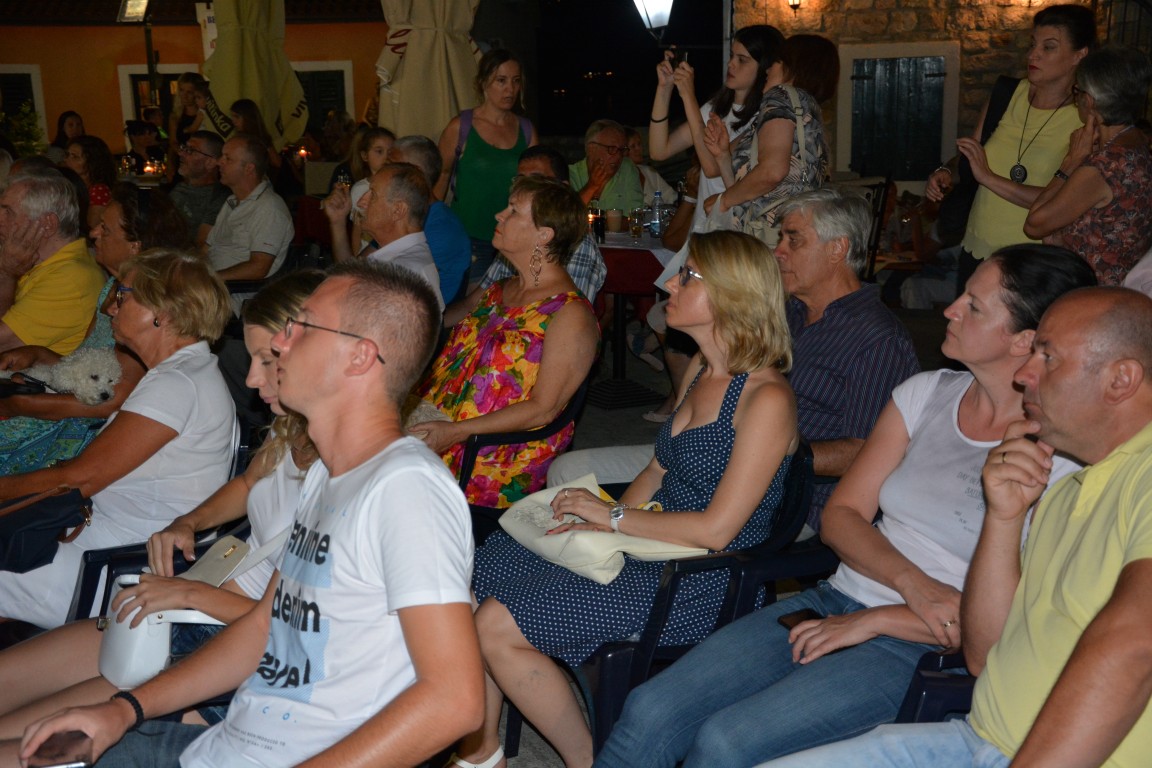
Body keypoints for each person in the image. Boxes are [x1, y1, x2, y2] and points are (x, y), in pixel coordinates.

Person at [595, 244, 1096, 768]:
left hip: (922, 644)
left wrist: (883, 617)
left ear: (1024, 340)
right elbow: (840, 516)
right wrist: (912, 584)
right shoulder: (926, 393)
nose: (949, 309)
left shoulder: (1059, 459)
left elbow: (1011, 621)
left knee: (727, 742)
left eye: (973, 305)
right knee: (650, 708)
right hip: (837, 597)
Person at [18, 261, 483, 768]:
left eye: (302, 327)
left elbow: (455, 701)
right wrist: (124, 710)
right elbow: (265, 626)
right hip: (230, 740)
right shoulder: (329, 478)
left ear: (360, 357)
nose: (280, 344)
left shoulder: (407, 486)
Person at [760, 287, 1152, 768]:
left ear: (1121, 379)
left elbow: (1134, 645)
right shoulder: (1069, 481)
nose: (1025, 374)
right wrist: (1004, 516)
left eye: (1048, 357)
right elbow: (984, 656)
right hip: (978, 737)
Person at [450, 230, 799, 768]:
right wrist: (599, 524)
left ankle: (586, 759)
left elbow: (717, 531)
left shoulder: (766, 398)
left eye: (688, 276)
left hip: (703, 577)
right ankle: (483, 753)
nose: (670, 284)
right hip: (652, 541)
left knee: (496, 623)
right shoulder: (702, 371)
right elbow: (658, 469)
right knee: (487, 563)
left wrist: (611, 517)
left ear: (732, 295)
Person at [0, 271, 324, 747]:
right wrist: (189, 521)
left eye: (267, 360)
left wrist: (187, 594)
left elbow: (278, 625)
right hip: (184, 604)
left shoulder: (341, 477)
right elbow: (250, 482)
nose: (251, 379)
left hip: (204, 623)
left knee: (16, 740)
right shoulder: (290, 428)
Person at [550, 188, 919, 531]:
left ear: (838, 248)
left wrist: (755, 451)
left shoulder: (878, 340)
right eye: (780, 238)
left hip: (798, 498)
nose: (778, 251)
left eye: (793, 239)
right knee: (570, 471)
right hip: (712, 451)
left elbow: (868, 452)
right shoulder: (785, 312)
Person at [0, 249, 234, 629]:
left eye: (122, 296)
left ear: (162, 313)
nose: (111, 307)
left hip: (111, 572)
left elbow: (77, 479)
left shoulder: (177, 384)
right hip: (104, 548)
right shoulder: (187, 372)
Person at [414, 175, 599, 508]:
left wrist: (456, 432)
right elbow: (439, 321)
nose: (499, 215)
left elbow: (544, 408)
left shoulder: (570, 314)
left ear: (544, 235)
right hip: (439, 421)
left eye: (513, 210)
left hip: (492, 453)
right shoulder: (498, 291)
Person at [0, 181, 188, 474]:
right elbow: (83, 362)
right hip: (75, 407)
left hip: (90, 427)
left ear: (135, 246)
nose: (93, 233)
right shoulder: (112, 285)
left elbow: (113, 400)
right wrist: (37, 354)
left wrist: (21, 405)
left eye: (105, 229)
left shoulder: (142, 305)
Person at [925, 4, 1095, 293]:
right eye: (1032, 44)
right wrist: (946, 172)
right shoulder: (1007, 93)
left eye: (1048, 47)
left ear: (1079, 55)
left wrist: (988, 178)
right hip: (977, 250)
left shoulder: (1085, 118)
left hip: (1032, 262)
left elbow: (1064, 200)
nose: (1033, 55)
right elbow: (971, 158)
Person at [1024, 45, 1152, 285]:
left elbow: (1034, 225)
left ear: (1090, 101)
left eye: (1077, 91)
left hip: (1094, 293)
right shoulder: (1137, 143)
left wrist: (1070, 162)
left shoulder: (1104, 166)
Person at [649, 25, 786, 233]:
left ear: (765, 67)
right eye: (732, 56)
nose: (731, 64)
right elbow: (659, 151)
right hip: (703, 226)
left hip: (732, 231)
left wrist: (688, 96)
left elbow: (712, 168)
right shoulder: (717, 107)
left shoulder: (764, 117)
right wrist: (664, 88)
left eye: (742, 59)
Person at [701, 33, 837, 239]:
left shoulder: (781, 96)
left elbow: (773, 171)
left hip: (767, 241)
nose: (767, 69)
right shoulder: (808, 112)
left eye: (776, 62)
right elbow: (751, 196)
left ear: (793, 67)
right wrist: (723, 156)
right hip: (787, 236)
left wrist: (724, 200)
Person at [436, 48, 538, 285]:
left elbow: (539, 184)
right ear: (483, 83)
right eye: (501, 81)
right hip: (469, 237)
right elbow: (441, 177)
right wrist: (432, 227)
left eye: (515, 81)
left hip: (515, 238)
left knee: (512, 301)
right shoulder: (461, 127)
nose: (510, 89)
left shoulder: (526, 130)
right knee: (474, 303)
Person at [469, 145, 607, 305]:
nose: (524, 187)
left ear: (562, 188)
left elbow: (564, 308)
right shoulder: (515, 238)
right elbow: (475, 302)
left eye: (537, 180)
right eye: (520, 180)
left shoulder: (576, 245)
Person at [0, 170, 106, 355]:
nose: (1, 218)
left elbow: (2, 344)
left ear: (48, 224)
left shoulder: (72, 278)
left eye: (8, 212)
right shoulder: (37, 262)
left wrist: (7, 273)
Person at [352, 163, 444, 310]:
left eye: (372, 194)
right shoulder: (398, 261)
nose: (361, 202)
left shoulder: (402, 273)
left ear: (397, 210)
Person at [205, 134, 293, 281]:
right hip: (212, 284)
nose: (219, 162)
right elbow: (207, 249)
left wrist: (209, 280)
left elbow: (259, 267)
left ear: (249, 169)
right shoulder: (231, 201)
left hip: (236, 290)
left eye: (228, 158)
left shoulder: (269, 208)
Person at [322, 127, 397, 262]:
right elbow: (357, 229)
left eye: (390, 152)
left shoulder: (398, 187)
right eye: (379, 151)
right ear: (365, 156)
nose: (386, 157)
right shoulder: (360, 188)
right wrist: (356, 259)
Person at [167, 130, 229, 248]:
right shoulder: (179, 188)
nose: (181, 153)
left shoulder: (219, 198)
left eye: (190, 150)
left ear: (210, 162)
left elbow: (201, 246)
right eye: (184, 148)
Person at [570, 119, 644, 210]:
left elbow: (636, 213)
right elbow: (566, 215)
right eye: (611, 149)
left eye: (621, 150)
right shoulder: (570, 175)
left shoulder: (627, 168)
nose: (618, 156)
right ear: (591, 149)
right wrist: (591, 186)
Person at [64, 135, 117, 230]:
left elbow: (93, 226)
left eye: (75, 157)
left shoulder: (99, 190)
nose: (67, 160)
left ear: (91, 161)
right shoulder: (71, 185)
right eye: (67, 155)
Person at [625, 127, 675, 206]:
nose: (638, 149)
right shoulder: (619, 177)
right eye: (633, 146)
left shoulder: (649, 171)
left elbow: (671, 196)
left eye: (639, 144)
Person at [169, 72, 207, 160]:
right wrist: (185, 154)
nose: (184, 96)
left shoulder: (204, 114)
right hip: (182, 158)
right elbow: (173, 142)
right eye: (181, 90)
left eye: (189, 92)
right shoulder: (175, 116)